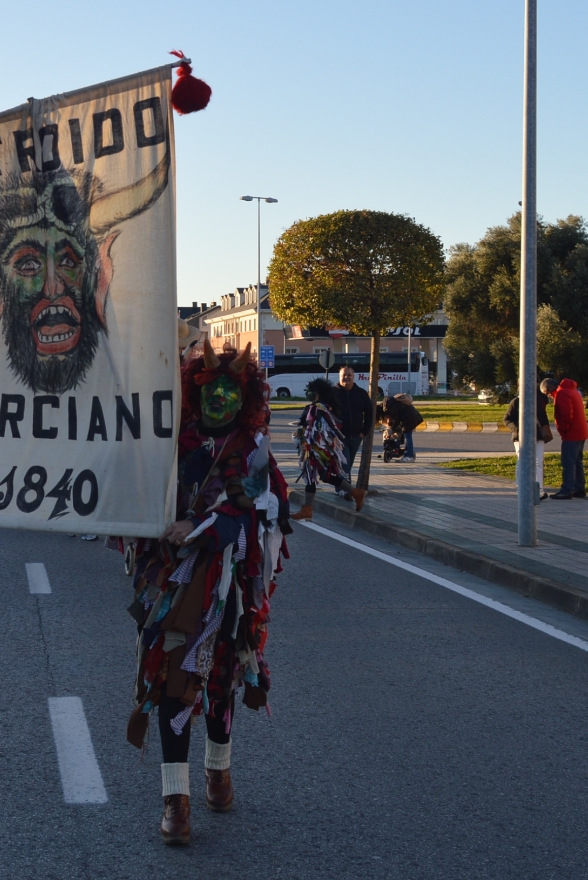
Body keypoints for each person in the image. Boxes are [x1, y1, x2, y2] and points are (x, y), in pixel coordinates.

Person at [114, 342, 291, 846]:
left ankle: (218, 770)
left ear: (245, 396)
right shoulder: (170, 444)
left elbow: (262, 511)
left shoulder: (253, 450)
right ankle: (177, 800)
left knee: (219, 678)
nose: (219, 400)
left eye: (229, 391)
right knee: (172, 679)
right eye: (210, 390)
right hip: (167, 583)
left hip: (226, 587)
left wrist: (202, 525)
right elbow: (133, 491)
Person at [290, 378, 364, 518]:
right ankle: (355, 492)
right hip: (319, 449)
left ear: (319, 393)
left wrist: (303, 435)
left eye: (312, 391)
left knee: (312, 475)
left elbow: (318, 429)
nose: (309, 394)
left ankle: (307, 509)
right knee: (325, 476)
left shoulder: (318, 408)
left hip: (316, 449)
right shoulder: (321, 407)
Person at [505, 378, 553, 502]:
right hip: (520, 437)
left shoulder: (539, 400)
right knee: (522, 461)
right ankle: (520, 489)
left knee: (538, 462)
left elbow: (543, 418)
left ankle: (540, 490)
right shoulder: (516, 402)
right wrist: (519, 429)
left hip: (538, 436)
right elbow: (507, 419)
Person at [325, 365, 374, 479]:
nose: (346, 377)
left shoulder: (361, 393)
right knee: (345, 464)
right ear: (339, 377)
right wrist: (331, 433)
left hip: (356, 437)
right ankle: (346, 490)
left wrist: (363, 432)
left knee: (348, 464)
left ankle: (340, 487)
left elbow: (369, 413)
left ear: (353, 377)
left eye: (349, 375)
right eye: (343, 375)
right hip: (339, 437)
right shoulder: (332, 393)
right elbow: (325, 413)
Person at [550, 378, 588, 499]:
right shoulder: (572, 390)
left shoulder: (561, 393)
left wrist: (563, 429)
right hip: (581, 432)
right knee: (577, 461)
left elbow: (565, 414)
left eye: (548, 394)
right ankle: (579, 488)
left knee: (568, 462)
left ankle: (567, 489)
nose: (550, 397)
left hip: (571, 433)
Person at [380, 392, 424, 461]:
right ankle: (408, 454)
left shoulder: (390, 409)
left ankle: (409, 456)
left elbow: (396, 420)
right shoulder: (392, 404)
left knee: (408, 436)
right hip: (413, 417)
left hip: (410, 419)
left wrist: (392, 430)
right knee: (407, 436)